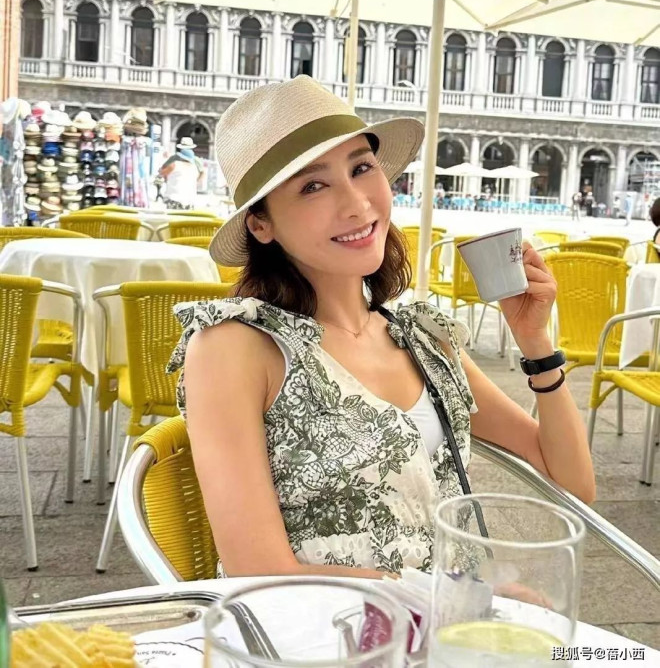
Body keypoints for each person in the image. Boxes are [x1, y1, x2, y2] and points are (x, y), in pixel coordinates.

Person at [167, 76, 595, 579]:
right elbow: (258, 569)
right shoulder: (236, 346)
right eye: (312, 186)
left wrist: (536, 344)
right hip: (318, 624)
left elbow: (572, 483)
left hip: (447, 619)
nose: (357, 203)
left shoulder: (423, 338)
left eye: (361, 168)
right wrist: (456, 598)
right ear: (261, 224)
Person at [158, 136, 203, 209]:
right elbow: (202, 172)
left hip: (174, 198)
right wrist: (195, 181)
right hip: (190, 200)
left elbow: (162, 170)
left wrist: (167, 179)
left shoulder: (174, 160)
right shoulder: (195, 163)